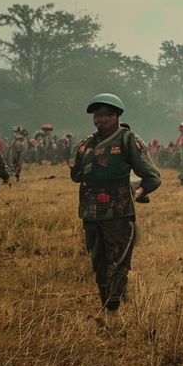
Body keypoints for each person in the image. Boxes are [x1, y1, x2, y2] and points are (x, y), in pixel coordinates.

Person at [70, 94, 161, 328]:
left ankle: (115, 303)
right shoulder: (85, 144)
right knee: (98, 262)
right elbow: (76, 176)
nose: (99, 120)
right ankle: (108, 312)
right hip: (90, 212)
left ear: (116, 116)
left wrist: (137, 194)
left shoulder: (127, 139)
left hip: (119, 211)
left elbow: (151, 177)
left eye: (104, 116)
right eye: (96, 116)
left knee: (120, 261)